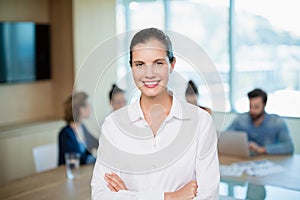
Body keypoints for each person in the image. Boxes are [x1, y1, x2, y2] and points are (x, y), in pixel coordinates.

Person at [91, 28, 219, 199]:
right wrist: (171, 197)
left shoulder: (201, 122)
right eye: (140, 64)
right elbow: (100, 195)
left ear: (172, 65)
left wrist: (126, 195)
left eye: (158, 63)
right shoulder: (113, 125)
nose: (149, 74)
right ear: (132, 67)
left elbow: (208, 196)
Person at [227, 88, 294, 155]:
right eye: (250, 106)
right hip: (245, 160)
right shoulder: (240, 119)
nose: (252, 111)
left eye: (256, 107)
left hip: (269, 160)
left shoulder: (276, 122)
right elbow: (224, 138)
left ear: (264, 105)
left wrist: (261, 149)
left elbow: (289, 147)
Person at [58, 92, 99, 165]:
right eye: (88, 105)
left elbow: (96, 143)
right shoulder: (65, 134)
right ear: (80, 109)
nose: (90, 108)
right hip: (68, 173)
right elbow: (75, 158)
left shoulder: (82, 128)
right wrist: (96, 160)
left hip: (82, 172)